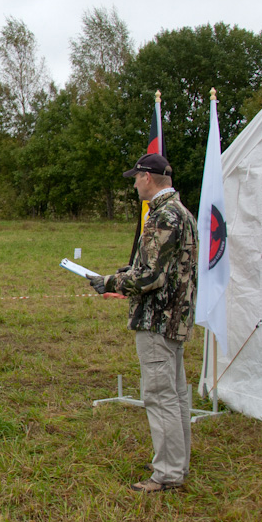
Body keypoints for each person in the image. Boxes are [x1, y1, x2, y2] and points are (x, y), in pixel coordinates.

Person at [90, 153, 199, 494]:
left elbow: (152, 277)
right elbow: (164, 266)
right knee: (176, 393)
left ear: (148, 177)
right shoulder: (182, 213)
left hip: (157, 318)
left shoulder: (163, 216)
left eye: (136, 178)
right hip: (175, 317)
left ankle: (167, 473)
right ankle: (176, 463)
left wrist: (110, 282)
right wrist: (127, 272)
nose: (134, 183)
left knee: (159, 394)